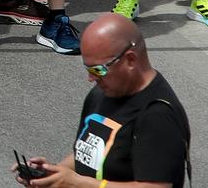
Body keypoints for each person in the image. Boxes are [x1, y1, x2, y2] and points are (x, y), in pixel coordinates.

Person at [24, 15, 191, 188]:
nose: (91, 78)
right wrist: (53, 174)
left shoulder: (158, 116)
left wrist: (76, 183)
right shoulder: (101, 93)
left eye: (97, 70)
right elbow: (87, 156)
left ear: (130, 60)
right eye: (88, 69)